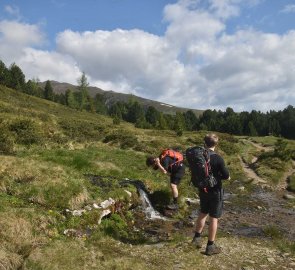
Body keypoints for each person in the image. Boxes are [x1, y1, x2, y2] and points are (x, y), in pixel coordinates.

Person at [191, 133, 230, 256]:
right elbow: (226, 176)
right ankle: (210, 246)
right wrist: (227, 177)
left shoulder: (199, 156)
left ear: (205, 143)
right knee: (214, 218)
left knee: (203, 213)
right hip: (215, 191)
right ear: (216, 144)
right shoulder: (218, 158)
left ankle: (196, 239)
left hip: (203, 189)